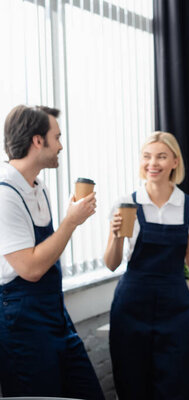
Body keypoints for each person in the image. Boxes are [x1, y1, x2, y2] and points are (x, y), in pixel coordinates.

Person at [104, 131, 189, 399]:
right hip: (131, 305)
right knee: (131, 383)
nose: (153, 163)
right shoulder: (127, 204)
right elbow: (112, 263)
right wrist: (116, 237)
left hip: (175, 306)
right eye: (147, 156)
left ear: (175, 161)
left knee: (178, 381)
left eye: (161, 156)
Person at [0, 105, 104, 398]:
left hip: (54, 314)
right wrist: (71, 222)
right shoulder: (5, 194)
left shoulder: (38, 187)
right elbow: (30, 269)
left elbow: (46, 252)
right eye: (56, 137)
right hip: (22, 321)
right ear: (37, 141)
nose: (60, 145)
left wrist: (70, 221)